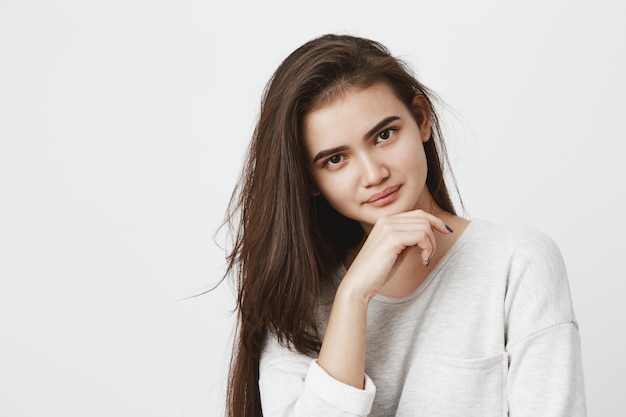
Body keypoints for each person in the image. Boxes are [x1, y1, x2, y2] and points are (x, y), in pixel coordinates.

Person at [221, 34, 586, 417]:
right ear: (309, 179)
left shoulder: (515, 263)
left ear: (422, 119)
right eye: (335, 159)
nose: (374, 173)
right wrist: (353, 297)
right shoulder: (300, 301)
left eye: (384, 135)